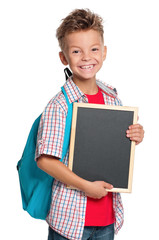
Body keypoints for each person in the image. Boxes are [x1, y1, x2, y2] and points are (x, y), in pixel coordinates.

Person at [36, 9, 144, 240]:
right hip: (70, 218)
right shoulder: (60, 105)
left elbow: (113, 147)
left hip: (107, 217)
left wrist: (134, 135)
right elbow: (45, 160)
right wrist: (85, 186)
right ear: (64, 58)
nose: (86, 57)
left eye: (94, 49)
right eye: (76, 51)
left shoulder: (112, 98)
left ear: (104, 52)